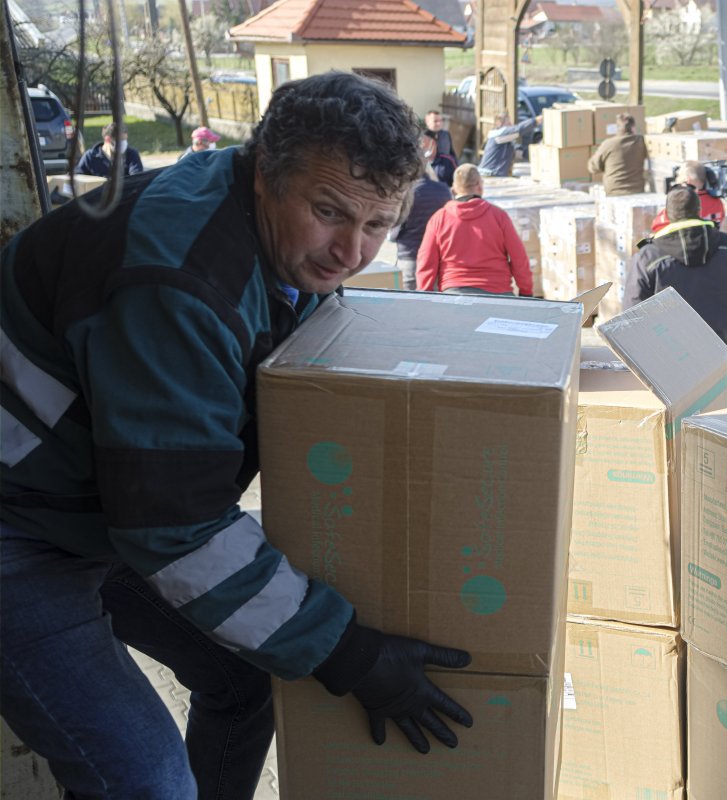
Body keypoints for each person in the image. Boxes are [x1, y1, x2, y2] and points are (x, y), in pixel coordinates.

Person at [1, 72, 473, 800]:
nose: (350, 252)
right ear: (264, 175)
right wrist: (350, 654)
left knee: (246, 676)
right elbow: (175, 527)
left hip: (94, 499)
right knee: (148, 783)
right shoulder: (180, 280)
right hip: (19, 528)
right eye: (329, 212)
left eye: (378, 225)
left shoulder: (273, 244)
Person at [625, 184, 727, 350]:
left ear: (667, 215)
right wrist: (726, 325)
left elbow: (633, 311)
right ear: (699, 210)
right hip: (719, 346)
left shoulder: (649, 256)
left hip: (668, 352)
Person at [416, 163, 533, 296]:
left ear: (453, 189)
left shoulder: (439, 219)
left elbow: (426, 261)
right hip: (498, 292)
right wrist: (526, 292)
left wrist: (424, 294)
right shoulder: (499, 216)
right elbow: (519, 258)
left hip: (455, 292)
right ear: (479, 186)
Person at [393, 131, 453, 290]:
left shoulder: (404, 191)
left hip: (409, 256)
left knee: (411, 302)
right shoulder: (443, 190)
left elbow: (393, 232)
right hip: (438, 258)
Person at [650, 160, 725, 232]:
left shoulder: (681, 201)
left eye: (678, 176)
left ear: (687, 180)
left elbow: (657, 226)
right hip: (710, 239)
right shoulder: (717, 202)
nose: (676, 179)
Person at [588, 112, 647, 196]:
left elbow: (593, 167)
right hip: (638, 192)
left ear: (617, 128)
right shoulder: (641, 141)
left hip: (614, 193)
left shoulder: (608, 144)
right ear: (633, 128)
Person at [477, 111, 540, 178]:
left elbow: (519, 153)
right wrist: (536, 120)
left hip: (492, 174)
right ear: (499, 123)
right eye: (508, 123)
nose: (511, 125)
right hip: (489, 174)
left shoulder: (505, 141)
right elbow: (518, 130)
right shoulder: (498, 134)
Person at [75, 121, 145, 177]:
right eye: (121, 140)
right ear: (107, 139)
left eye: (125, 140)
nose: (124, 143)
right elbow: (79, 178)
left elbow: (136, 178)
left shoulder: (132, 154)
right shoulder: (90, 157)